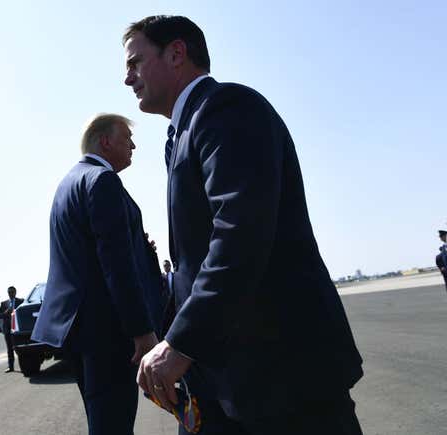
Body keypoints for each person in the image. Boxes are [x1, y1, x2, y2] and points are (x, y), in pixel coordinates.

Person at [123, 15, 363, 435]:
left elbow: (239, 234)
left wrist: (181, 342)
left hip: (283, 377)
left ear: (176, 53)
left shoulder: (226, 108)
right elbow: (191, 263)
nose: (128, 78)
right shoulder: (181, 133)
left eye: (135, 62)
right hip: (227, 380)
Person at [31, 114, 165, 435]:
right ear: (105, 141)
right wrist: (142, 331)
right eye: (126, 139)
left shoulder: (69, 183)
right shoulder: (103, 181)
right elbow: (115, 264)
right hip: (108, 331)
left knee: (103, 423)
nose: (133, 146)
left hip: (79, 329)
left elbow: (89, 253)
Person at [0, 286, 24, 372]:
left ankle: (24, 366)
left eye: (12, 292)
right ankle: (10, 367)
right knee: (9, 349)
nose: (10, 294)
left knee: (20, 348)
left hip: (18, 329)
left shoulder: (21, 301)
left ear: (15, 292)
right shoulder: (4, 304)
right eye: (9, 292)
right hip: (7, 329)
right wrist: (5, 312)